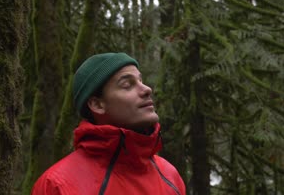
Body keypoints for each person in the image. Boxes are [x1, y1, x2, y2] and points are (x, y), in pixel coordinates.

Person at [31, 52, 186, 195]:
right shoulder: (57, 185)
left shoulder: (169, 175)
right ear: (97, 105)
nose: (147, 89)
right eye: (127, 85)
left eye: (140, 80)